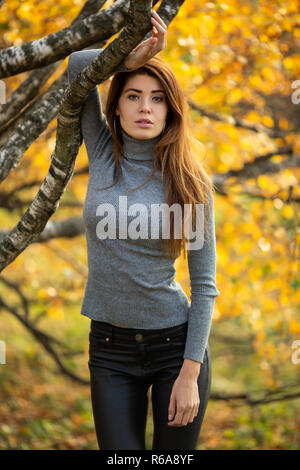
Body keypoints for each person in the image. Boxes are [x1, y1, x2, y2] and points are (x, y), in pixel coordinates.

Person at [67, 9, 220, 450]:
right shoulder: (100, 150)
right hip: (109, 349)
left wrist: (190, 373)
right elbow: (78, 64)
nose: (145, 108)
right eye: (133, 95)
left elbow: (205, 285)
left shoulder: (189, 182)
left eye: (156, 98)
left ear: (171, 109)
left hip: (176, 348)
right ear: (115, 105)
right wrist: (129, 58)